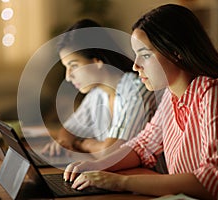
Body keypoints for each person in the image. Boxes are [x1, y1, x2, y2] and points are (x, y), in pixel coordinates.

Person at [63, 4, 218, 200]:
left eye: (146, 55)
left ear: (176, 52)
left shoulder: (215, 91)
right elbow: (143, 146)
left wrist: (120, 182)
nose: (136, 65)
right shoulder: (170, 95)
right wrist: (97, 166)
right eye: (136, 55)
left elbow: (217, 179)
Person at [42, 19, 159, 159]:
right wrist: (64, 143)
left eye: (73, 66)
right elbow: (68, 131)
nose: (68, 77)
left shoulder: (136, 91)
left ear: (97, 61)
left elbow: (110, 152)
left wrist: (82, 144)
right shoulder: (97, 93)